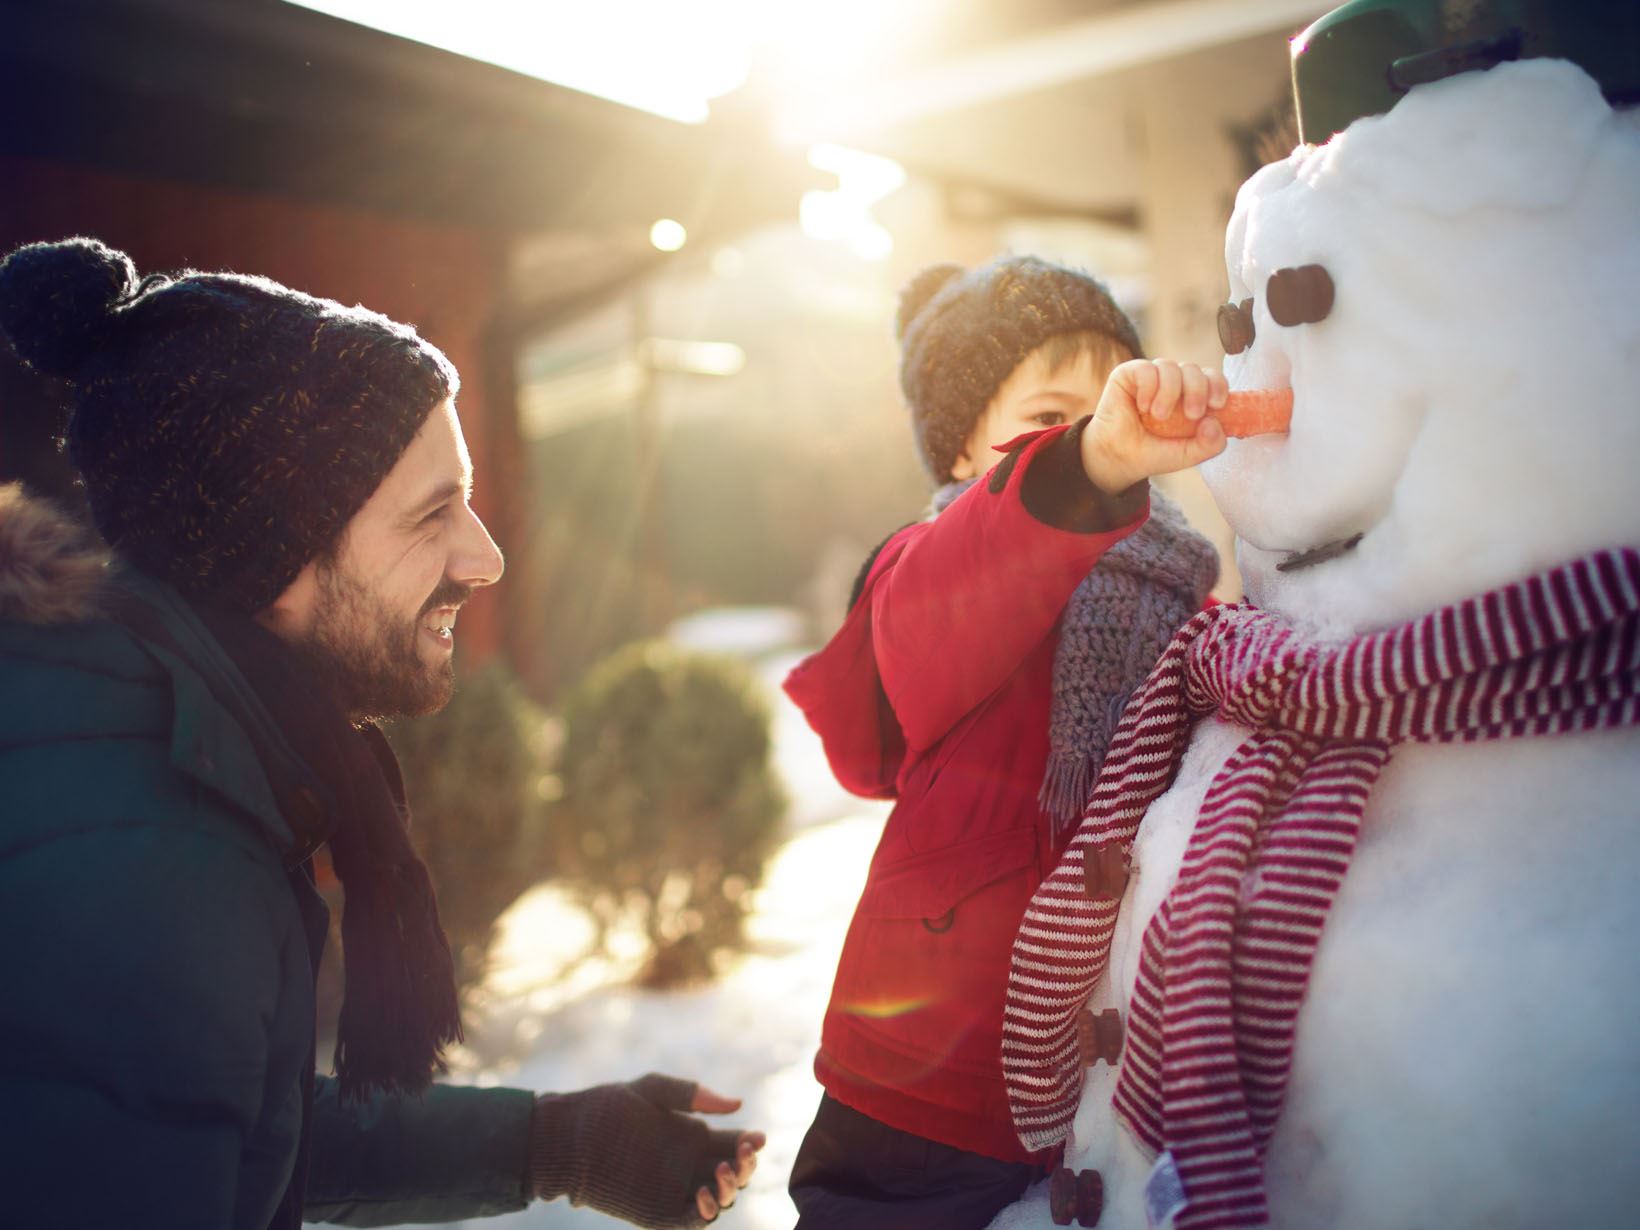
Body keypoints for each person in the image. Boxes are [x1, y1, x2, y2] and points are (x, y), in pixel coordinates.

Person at [0, 236, 764, 1230]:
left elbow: (226, 1127)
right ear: (268, 557)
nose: (483, 556)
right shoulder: (156, 861)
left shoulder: (148, 746)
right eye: (432, 513)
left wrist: (562, 1142)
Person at [782, 256, 1226, 1228]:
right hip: (931, 1083)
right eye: (1046, 420)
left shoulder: (1171, 576)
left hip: (1102, 1066)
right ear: (957, 454)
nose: (1090, 433)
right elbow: (973, 578)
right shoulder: (930, 566)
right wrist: (1084, 468)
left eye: (1112, 402)